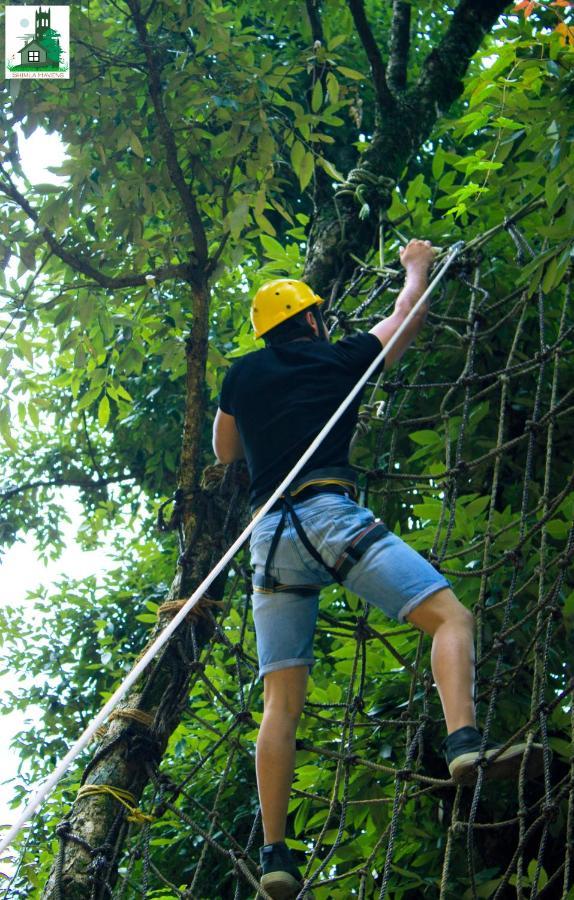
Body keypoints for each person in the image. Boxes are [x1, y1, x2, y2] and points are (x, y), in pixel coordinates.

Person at [212, 240, 544, 900]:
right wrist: (416, 264)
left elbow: (226, 451)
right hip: (332, 515)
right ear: (311, 320)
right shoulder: (341, 358)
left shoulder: (242, 375)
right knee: (449, 616)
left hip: (269, 539)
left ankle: (276, 854)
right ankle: (464, 743)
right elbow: (405, 315)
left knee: (281, 702)